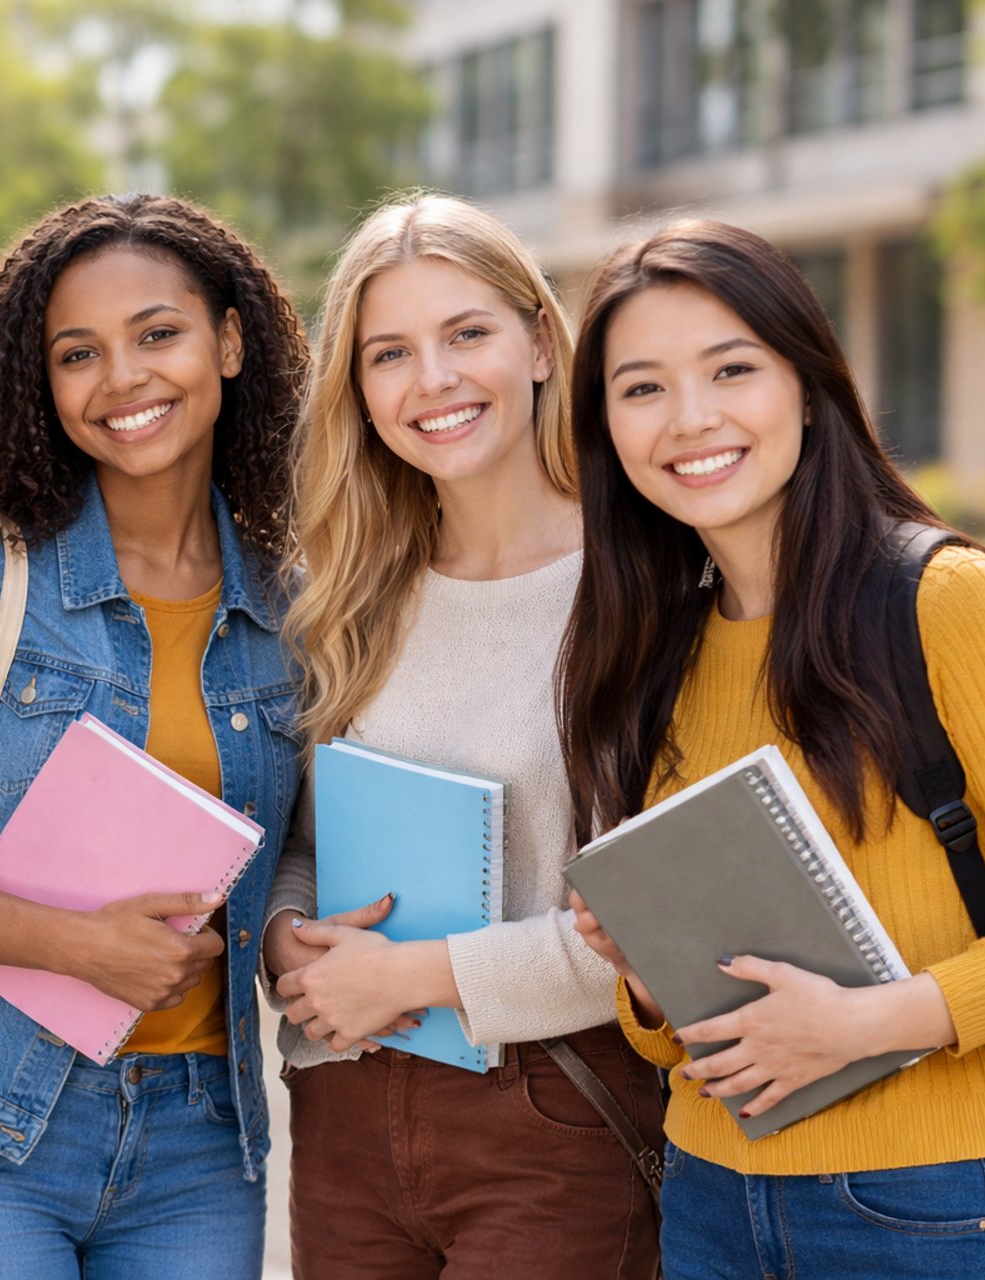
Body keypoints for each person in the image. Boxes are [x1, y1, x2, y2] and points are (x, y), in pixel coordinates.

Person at [0, 193, 309, 1279]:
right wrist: (72, 943)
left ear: (227, 340)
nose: (123, 378)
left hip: (201, 1137)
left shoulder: (291, 605)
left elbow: (299, 851)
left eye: (158, 333)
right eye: (79, 352)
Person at [562, 219, 985, 1278]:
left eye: (731, 367)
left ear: (807, 382)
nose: (690, 418)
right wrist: (648, 972)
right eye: (643, 387)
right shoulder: (654, 651)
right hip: (709, 1197)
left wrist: (879, 1019)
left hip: (931, 1200)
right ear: (605, 426)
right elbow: (677, 1034)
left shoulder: (943, 602)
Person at [260, 192, 663, 1278]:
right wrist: (284, 931)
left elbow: (659, 925)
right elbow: (306, 840)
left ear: (539, 339)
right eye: (389, 351)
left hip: (558, 1117)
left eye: (466, 333)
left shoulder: (648, 589)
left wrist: (420, 973)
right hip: (346, 1105)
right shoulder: (345, 594)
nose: (431, 380)